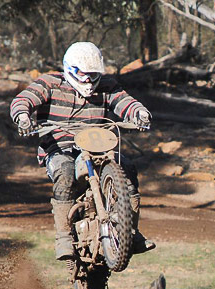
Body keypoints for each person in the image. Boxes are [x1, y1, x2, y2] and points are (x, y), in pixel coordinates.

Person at [10, 41, 155, 261]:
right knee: (65, 172)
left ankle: (131, 233)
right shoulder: (50, 83)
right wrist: (23, 117)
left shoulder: (107, 85)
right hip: (60, 148)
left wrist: (140, 114)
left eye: (92, 74)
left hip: (98, 147)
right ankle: (64, 236)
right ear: (70, 68)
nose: (87, 79)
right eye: (82, 73)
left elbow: (125, 102)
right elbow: (23, 100)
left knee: (128, 167)